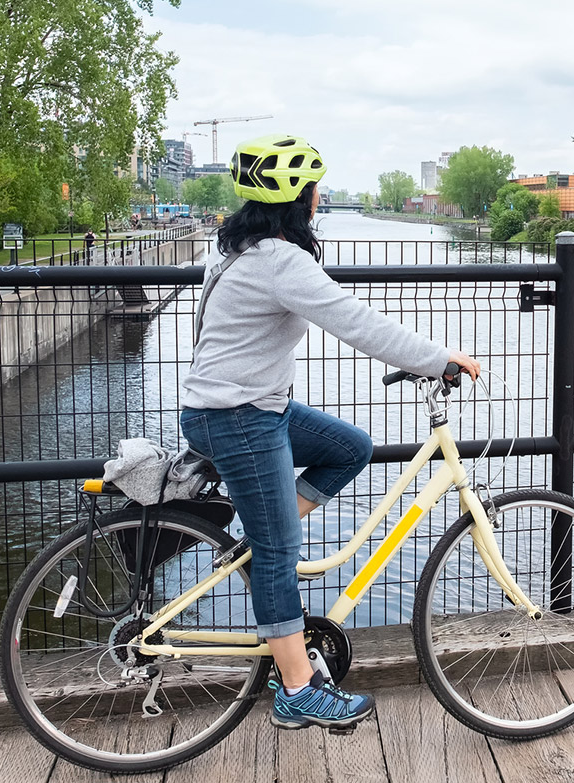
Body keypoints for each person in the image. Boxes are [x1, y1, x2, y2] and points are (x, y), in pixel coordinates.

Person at [178, 134, 479, 732]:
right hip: (239, 417)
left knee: (351, 448)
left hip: (245, 408)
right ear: (301, 196)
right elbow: (356, 323)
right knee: (278, 554)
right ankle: (295, 690)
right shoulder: (279, 261)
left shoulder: (234, 249)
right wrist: (438, 358)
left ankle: (265, 535)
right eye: (315, 187)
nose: (320, 197)